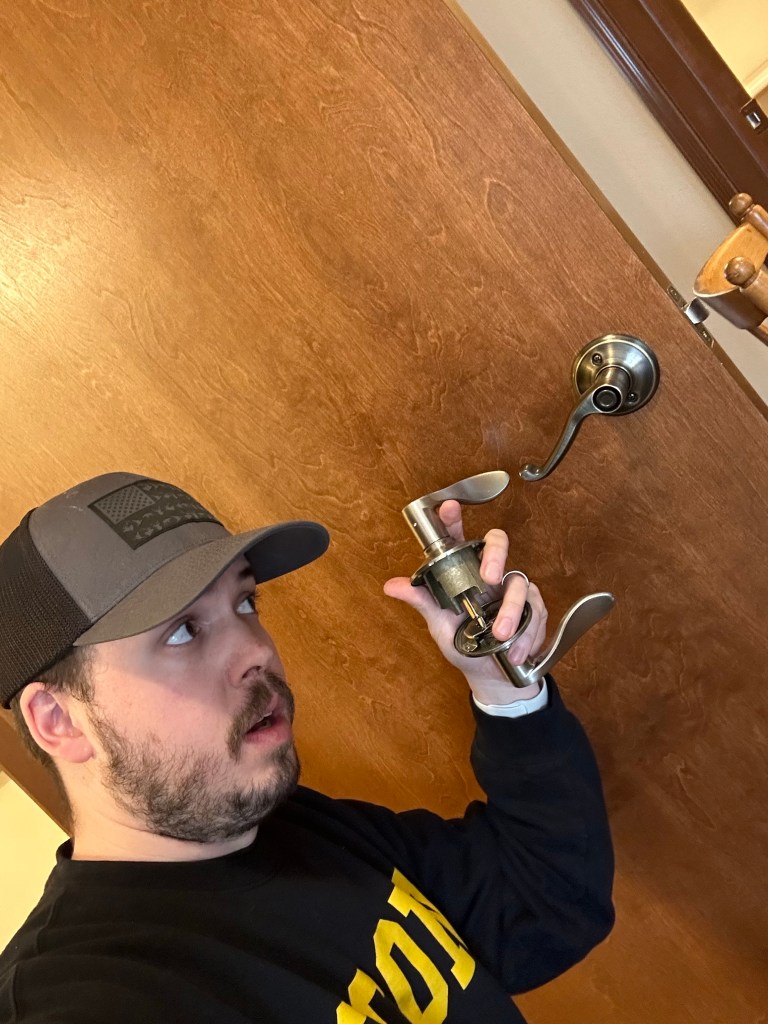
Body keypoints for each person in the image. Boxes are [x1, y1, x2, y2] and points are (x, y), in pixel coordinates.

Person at [0, 472, 614, 1024]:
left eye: (246, 602)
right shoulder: (80, 995)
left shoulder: (293, 827)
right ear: (59, 720)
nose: (256, 651)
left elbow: (548, 904)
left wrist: (502, 684)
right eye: (183, 631)